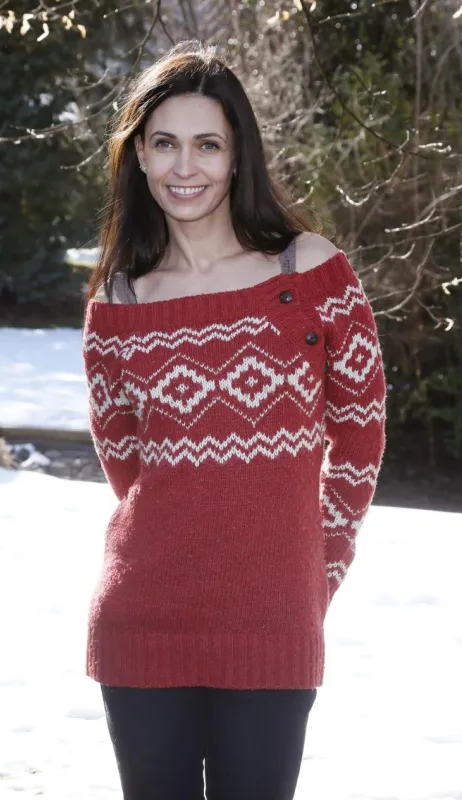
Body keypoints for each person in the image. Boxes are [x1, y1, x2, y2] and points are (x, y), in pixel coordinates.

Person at [82, 39, 387, 800]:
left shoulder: (312, 272)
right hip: (142, 616)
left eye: (207, 145)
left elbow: (362, 429)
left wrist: (322, 563)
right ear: (139, 159)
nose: (186, 168)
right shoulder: (118, 305)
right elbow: (127, 467)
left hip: (274, 615)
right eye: (165, 145)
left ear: (237, 155)